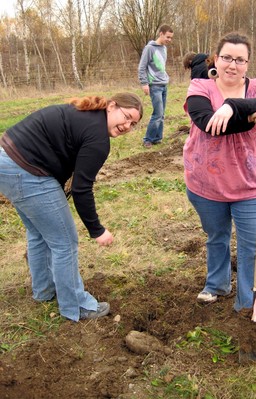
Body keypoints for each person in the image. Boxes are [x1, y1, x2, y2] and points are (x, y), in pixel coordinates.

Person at [0, 92, 143, 322]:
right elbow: (81, 188)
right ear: (112, 106)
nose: (127, 126)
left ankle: (44, 290)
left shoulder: (88, 116)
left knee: (39, 233)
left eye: (133, 124)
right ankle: (76, 305)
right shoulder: (97, 138)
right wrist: (96, 229)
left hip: (6, 160)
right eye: (126, 117)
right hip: (26, 169)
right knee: (64, 242)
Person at [183, 32, 256, 312]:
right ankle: (217, 284)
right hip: (206, 184)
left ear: (247, 64)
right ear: (216, 59)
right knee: (217, 237)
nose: (232, 65)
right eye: (226, 57)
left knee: (254, 247)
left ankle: (250, 306)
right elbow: (208, 124)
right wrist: (250, 114)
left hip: (251, 184)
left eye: (240, 60)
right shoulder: (200, 88)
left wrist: (232, 106)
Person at [138, 24, 174, 148]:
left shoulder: (164, 48)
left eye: (171, 38)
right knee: (157, 113)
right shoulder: (149, 48)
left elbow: (160, 67)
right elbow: (142, 67)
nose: (169, 40)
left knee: (162, 114)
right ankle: (147, 139)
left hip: (164, 84)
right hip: (154, 86)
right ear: (161, 34)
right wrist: (144, 83)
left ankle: (157, 138)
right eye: (168, 37)